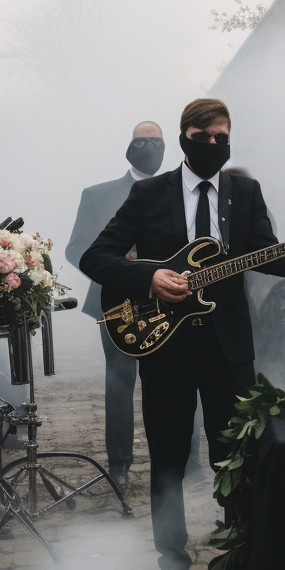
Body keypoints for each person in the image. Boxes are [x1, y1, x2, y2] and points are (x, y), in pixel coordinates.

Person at [80, 98, 285, 570]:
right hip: (164, 345)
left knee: (234, 455)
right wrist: (150, 278)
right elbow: (95, 257)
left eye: (221, 137)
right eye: (202, 136)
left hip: (228, 346)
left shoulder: (245, 191)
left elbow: (262, 253)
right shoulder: (149, 195)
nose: (213, 145)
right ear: (183, 136)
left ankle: (236, 554)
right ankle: (172, 562)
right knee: (167, 457)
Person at [64, 120, 167, 485]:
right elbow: (76, 249)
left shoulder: (176, 191)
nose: (150, 147)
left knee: (173, 380)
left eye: (156, 141)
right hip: (116, 303)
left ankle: (182, 462)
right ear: (131, 145)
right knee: (119, 382)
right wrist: (116, 268)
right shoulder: (98, 194)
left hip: (169, 301)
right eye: (143, 141)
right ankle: (120, 464)